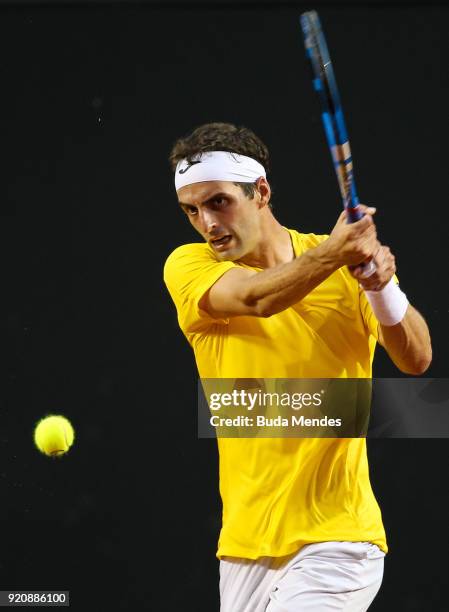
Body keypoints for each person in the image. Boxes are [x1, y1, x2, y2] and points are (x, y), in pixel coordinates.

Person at [163, 122, 432, 612]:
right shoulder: (188, 267)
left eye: (219, 201)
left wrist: (379, 286)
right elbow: (256, 299)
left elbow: (417, 359)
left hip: (339, 538)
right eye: (192, 210)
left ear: (260, 191)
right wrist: (336, 254)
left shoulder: (338, 267)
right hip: (244, 547)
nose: (207, 222)